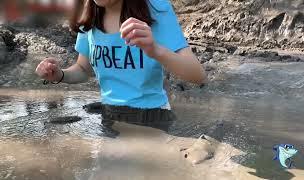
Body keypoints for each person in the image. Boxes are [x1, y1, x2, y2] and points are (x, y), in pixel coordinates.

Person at [35, 0, 205, 131]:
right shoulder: (89, 12)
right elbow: (83, 69)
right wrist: (59, 75)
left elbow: (197, 75)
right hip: (109, 117)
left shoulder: (156, 8)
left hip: (152, 118)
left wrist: (155, 50)